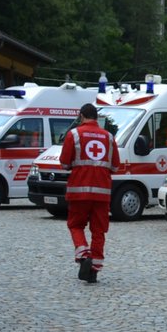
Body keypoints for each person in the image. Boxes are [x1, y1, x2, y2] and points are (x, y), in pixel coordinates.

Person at [59, 102, 121, 283]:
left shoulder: (74, 134)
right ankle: (94, 269)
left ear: (81, 116)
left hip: (79, 190)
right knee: (99, 231)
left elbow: (64, 163)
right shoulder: (109, 137)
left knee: (76, 225)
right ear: (97, 117)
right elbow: (115, 166)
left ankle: (83, 253)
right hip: (102, 191)